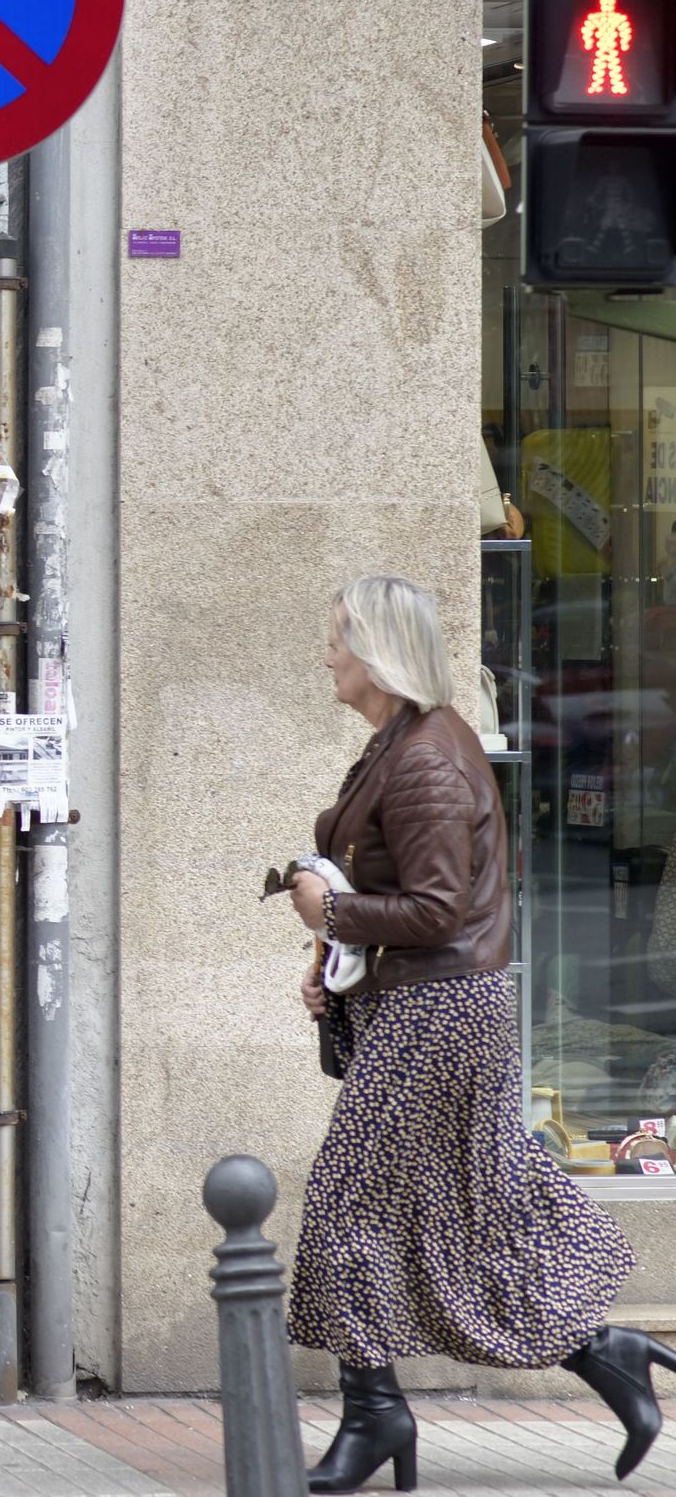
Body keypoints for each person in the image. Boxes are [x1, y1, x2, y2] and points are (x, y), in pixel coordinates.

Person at [282, 573, 668, 1492]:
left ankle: (376, 1414)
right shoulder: (403, 742)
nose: (326, 653)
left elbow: (434, 905)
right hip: (430, 1003)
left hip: (438, 1012)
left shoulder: (423, 757)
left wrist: (331, 915)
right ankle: (604, 1350)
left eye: (338, 637)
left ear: (376, 650)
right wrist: (334, 961)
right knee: (475, 1203)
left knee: (348, 1204)